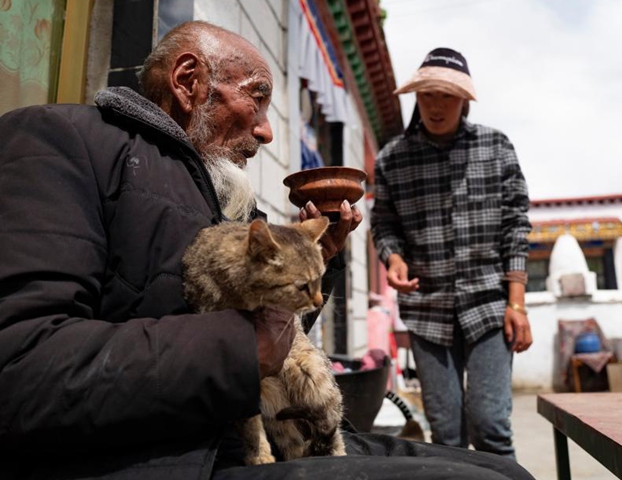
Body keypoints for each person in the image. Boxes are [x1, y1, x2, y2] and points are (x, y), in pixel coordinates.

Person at [0, 22, 533, 480]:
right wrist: (241, 347)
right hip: (179, 457)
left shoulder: (224, 194)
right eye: (256, 98)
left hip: (277, 435)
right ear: (189, 82)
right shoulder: (60, 140)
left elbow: (273, 330)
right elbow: (20, 368)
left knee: (502, 467)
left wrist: (315, 259)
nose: (267, 130)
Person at [371, 47, 534, 459]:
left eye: (447, 95)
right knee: (446, 435)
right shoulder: (392, 159)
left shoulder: (495, 147)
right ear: (416, 98)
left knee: (491, 426)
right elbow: (384, 225)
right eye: (428, 95)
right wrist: (393, 258)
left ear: (464, 100)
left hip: (489, 308)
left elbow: (516, 226)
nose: (437, 106)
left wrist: (517, 303)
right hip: (427, 311)